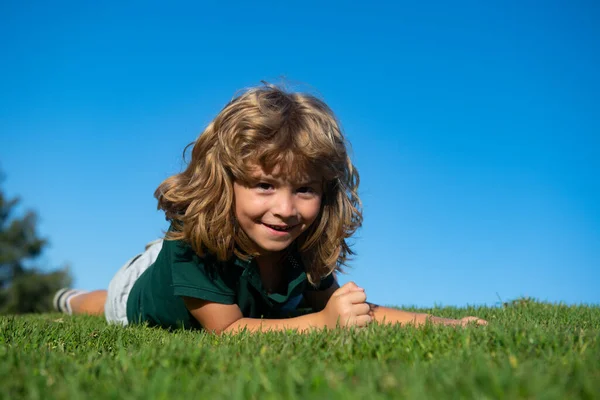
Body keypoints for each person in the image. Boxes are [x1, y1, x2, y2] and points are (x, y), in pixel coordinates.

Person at [53, 84, 486, 333]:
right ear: (227, 180)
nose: (285, 209)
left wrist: (448, 324)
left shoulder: (301, 246)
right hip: (142, 287)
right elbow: (231, 331)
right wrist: (321, 323)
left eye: (304, 189)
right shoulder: (193, 245)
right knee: (107, 304)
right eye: (264, 185)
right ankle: (69, 299)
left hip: (203, 266)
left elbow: (355, 312)